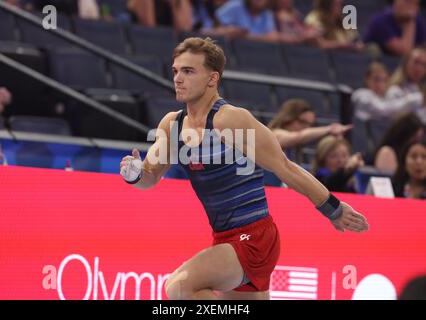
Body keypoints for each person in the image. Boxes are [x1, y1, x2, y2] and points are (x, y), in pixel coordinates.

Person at [120, 37, 369, 300]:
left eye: (188, 71)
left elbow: (286, 168)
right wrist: (135, 174)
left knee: (179, 287)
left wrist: (333, 208)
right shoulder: (172, 125)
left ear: (212, 78)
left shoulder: (230, 119)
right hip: (225, 239)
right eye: (176, 71)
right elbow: (150, 177)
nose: (178, 79)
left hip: (254, 238)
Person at [267, 99, 352, 163]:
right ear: (288, 118)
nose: (307, 128)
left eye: (310, 125)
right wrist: (330, 129)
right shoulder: (274, 134)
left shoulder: (294, 148)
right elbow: (298, 136)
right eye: (302, 122)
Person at [351, 62, 423, 122]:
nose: (380, 84)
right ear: (367, 79)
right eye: (376, 79)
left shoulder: (384, 98)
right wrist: (412, 99)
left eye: (384, 80)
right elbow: (382, 110)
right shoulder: (361, 94)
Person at [387, 47, 426, 124]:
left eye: (424, 65)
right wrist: (418, 99)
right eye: (416, 62)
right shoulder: (394, 90)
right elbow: (392, 114)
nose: (419, 68)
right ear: (406, 63)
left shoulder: (422, 91)